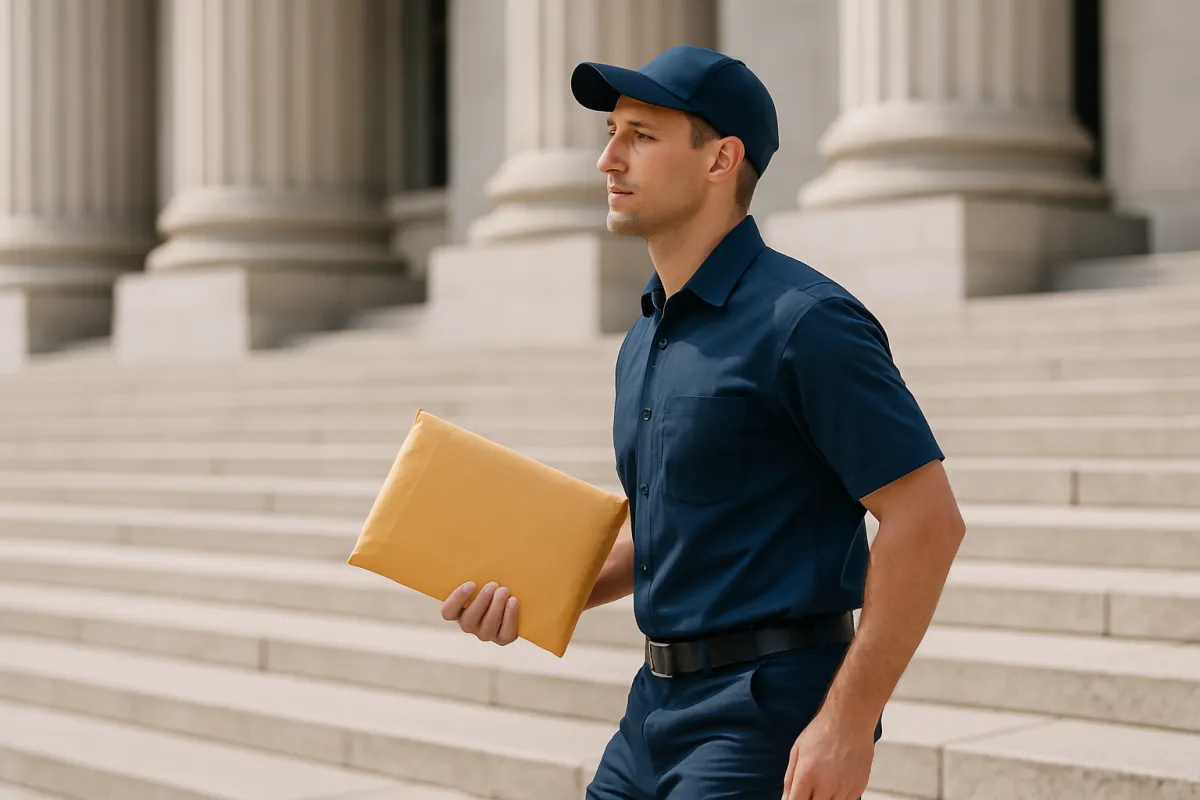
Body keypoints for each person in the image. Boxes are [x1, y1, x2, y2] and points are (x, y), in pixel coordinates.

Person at [441, 44, 966, 799]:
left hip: (765, 716)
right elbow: (665, 541)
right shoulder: (645, 335)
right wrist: (528, 591)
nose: (607, 160)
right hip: (650, 710)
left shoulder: (808, 322)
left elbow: (926, 521)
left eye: (641, 136)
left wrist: (849, 722)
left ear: (722, 159)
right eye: (611, 132)